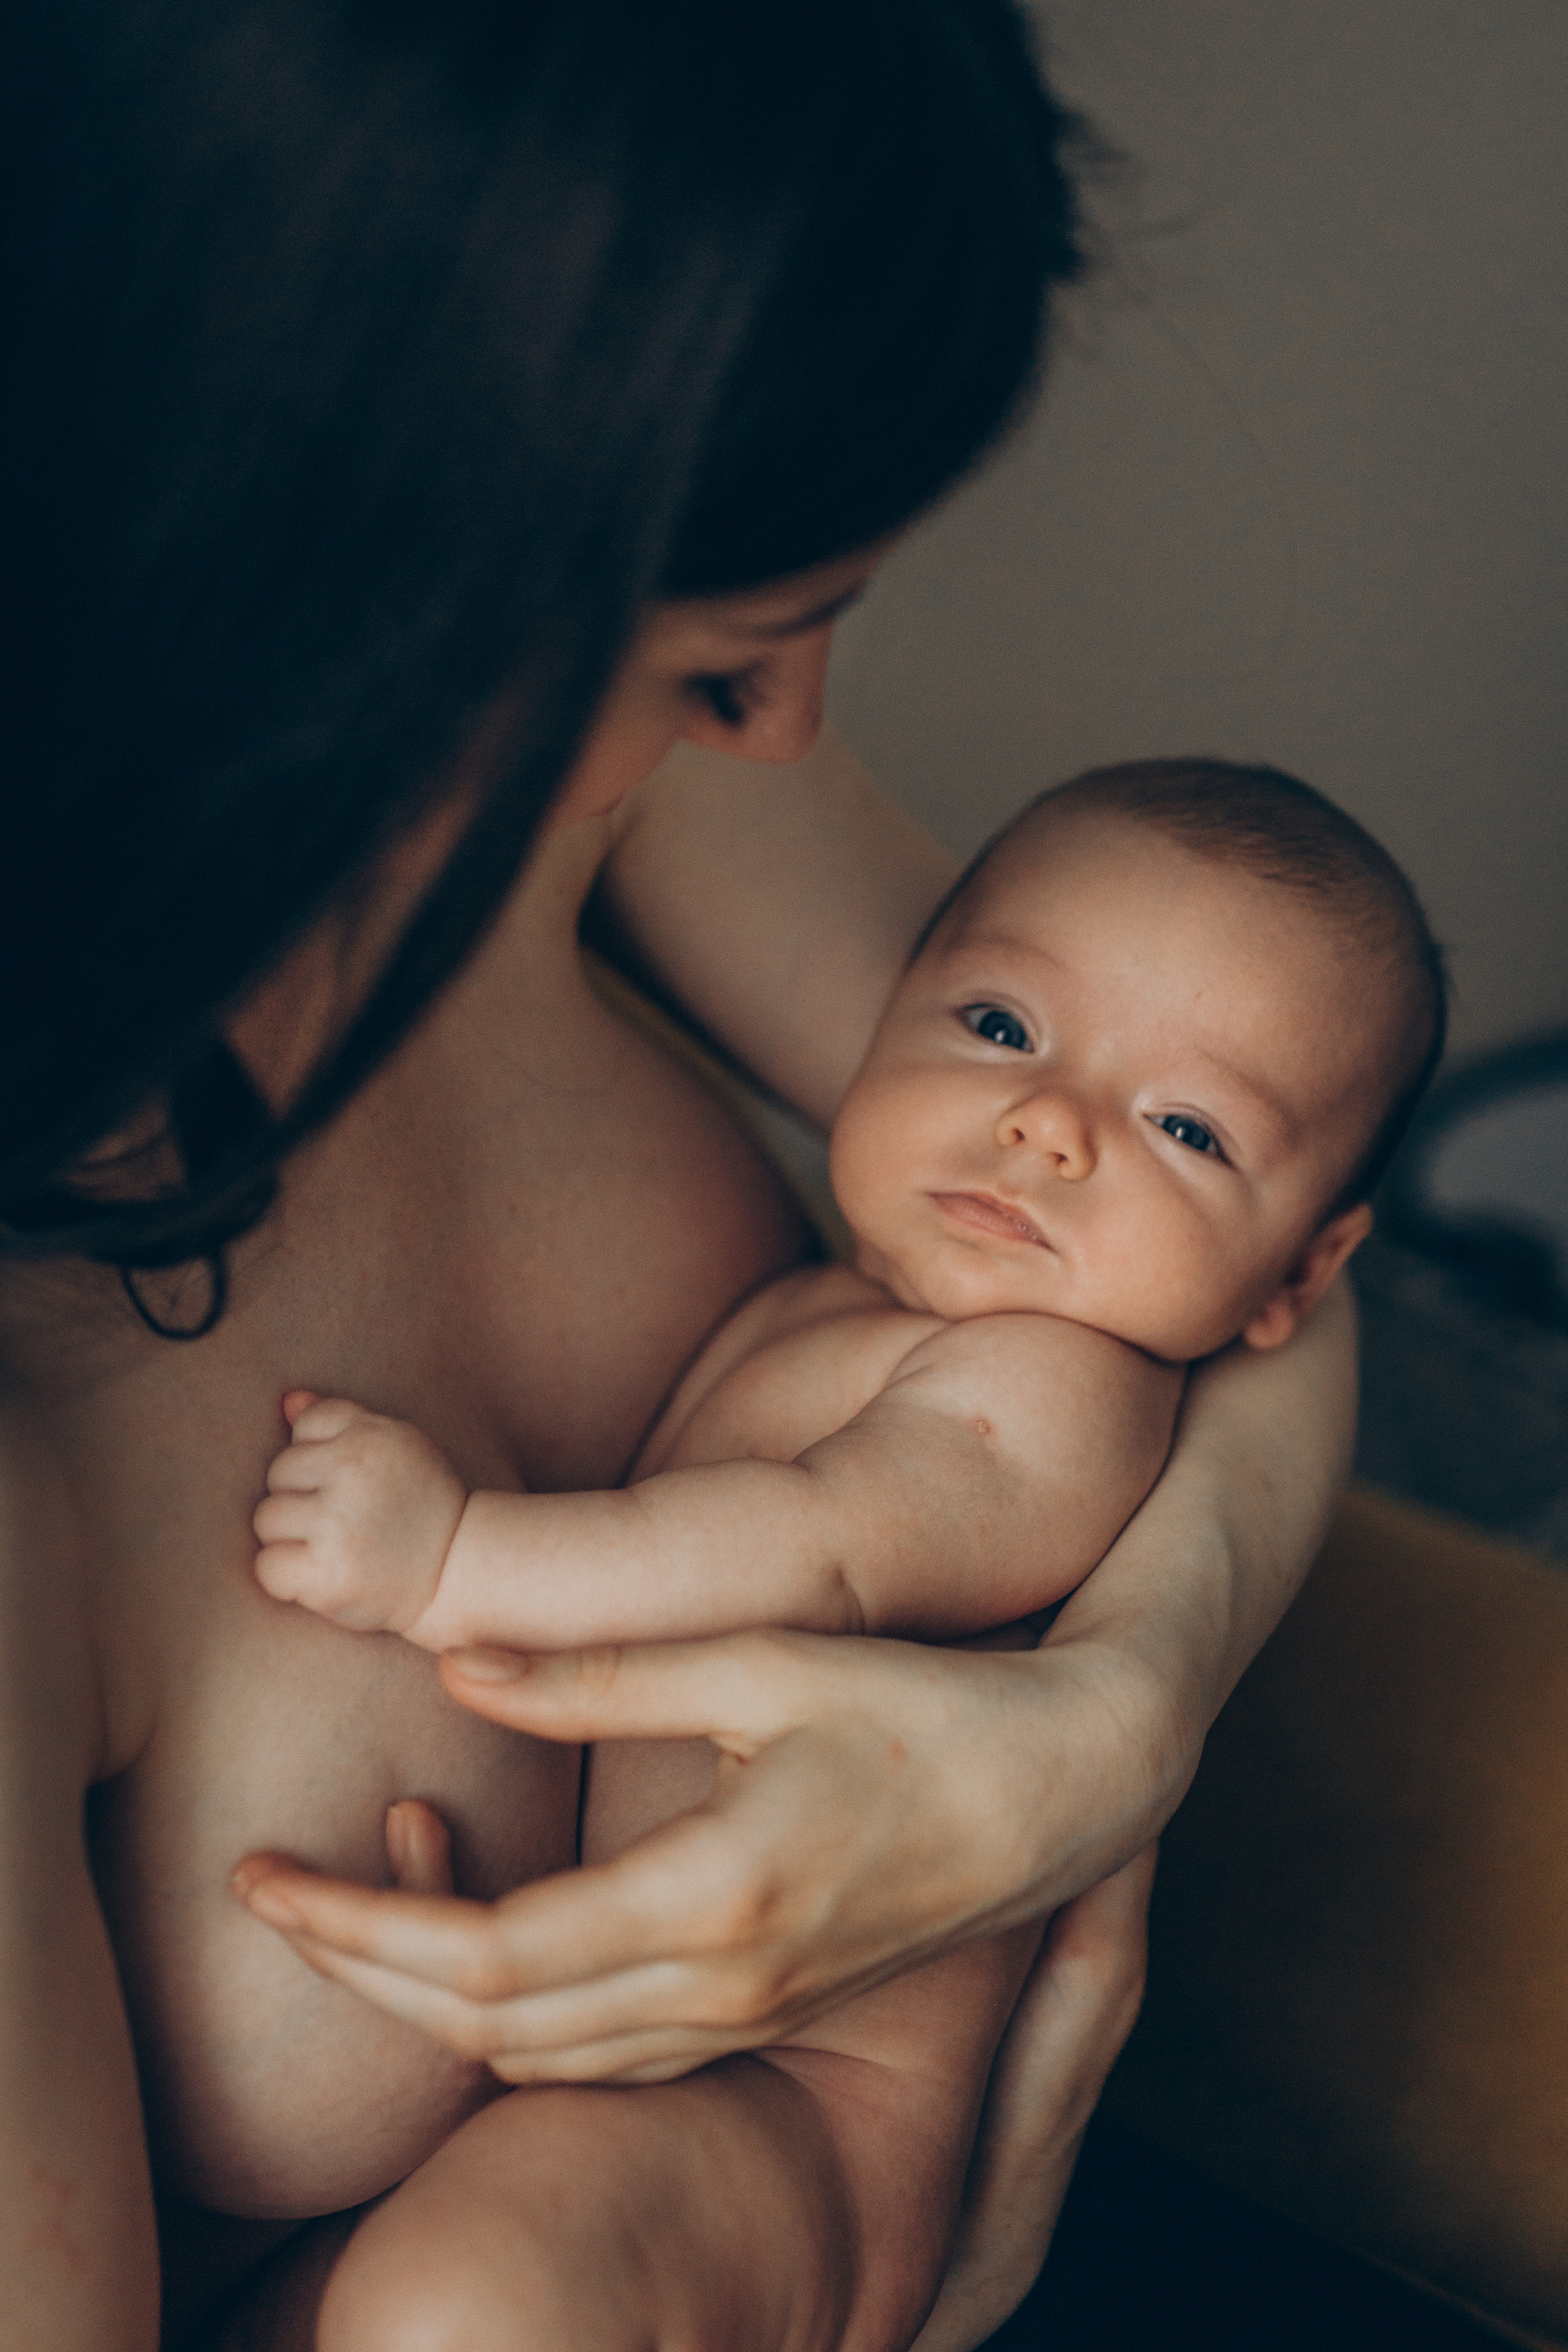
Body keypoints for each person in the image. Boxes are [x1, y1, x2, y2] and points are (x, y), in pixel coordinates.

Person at [1, 8, 1357, 2350]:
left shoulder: (603, 789)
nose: (790, 727)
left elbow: (1235, 1221)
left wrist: (1102, 1730)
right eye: (734, 654)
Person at [220, 761, 1439, 2348]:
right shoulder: (840, 1308)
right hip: (639, 2081)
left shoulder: (1059, 1388)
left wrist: (455, 1560)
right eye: (999, 1025)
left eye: (1188, 1127)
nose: (1050, 1123)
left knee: (459, 2307)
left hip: (794, 2108)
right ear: (886, 1011)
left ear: (1296, 1280)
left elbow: (820, 1546)